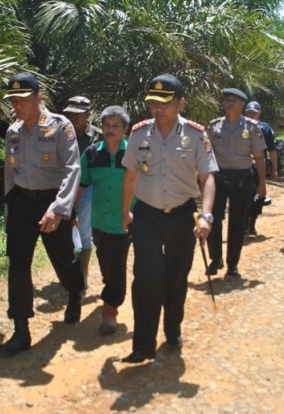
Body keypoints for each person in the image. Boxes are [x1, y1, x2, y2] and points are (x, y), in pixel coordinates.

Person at [121, 74, 218, 363]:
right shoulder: (139, 134)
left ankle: (172, 328)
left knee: (177, 277)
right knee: (146, 279)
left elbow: (207, 177)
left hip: (182, 215)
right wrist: (125, 210)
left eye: (165, 103)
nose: (157, 108)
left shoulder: (196, 134)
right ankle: (143, 344)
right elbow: (130, 175)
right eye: (153, 103)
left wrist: (207, 215)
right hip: (147, 215)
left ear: (180, 103)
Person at [0, 72, 85, 357]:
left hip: (52, 201)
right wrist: (9, 209)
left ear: (39, 98)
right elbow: (9, 175)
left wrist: (59, 209)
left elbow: (73, 169)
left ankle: (75, 291)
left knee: (62, 258)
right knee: (18, 263)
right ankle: (21, 329)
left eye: (22, 99)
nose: (17, 105)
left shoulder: (61, 127)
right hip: (22, 203)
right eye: (13, 100)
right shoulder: (13, 131)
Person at [75, 105, 133, 334]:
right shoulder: (91, 153)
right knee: (105, 261)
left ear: (125, 129)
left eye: (116, 126)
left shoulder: (134, 154)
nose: (110, 130)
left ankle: (111, 309)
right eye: (106, 126)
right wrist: (71, 212)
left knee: (117, 263)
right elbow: (81, 183)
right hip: (98, 220)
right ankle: (110, 285)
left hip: (124, 220)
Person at [206, 88, 267, 277]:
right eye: (227, 100)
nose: (230, 103)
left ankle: (233, 263)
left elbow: (259, 157)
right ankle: (216, 260)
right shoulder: (214, 127)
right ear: (222, 104)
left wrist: (262, 183)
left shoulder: (251, 127)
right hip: (219, 178)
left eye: (235, 101)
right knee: (213, 219)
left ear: (242, 105)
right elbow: (206, 155)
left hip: (243, 179)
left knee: (237, 223)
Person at [63, 96, 102, 289]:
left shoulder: (98, 136)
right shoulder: (61, 133)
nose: (73, 117)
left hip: (88, 189)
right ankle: (69, 273)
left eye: (78, 114)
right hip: (63, 188)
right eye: (70, 113)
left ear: (88, 114)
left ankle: (82, 274)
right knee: (63, 231)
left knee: (84, 231)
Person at [244, 101, 275, 238]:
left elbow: (272, 150)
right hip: (242, 166)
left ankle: (252, 224)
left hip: (258, 166)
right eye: (249, 112)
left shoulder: (265, 128)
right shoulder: (238, 126)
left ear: (259, 113)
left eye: (254, 112)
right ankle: (243, 224)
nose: (251, 115)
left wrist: (274, 169)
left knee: (258, 195)